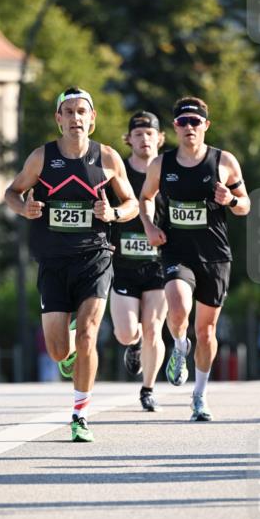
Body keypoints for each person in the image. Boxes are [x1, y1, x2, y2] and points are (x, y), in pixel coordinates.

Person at [4, 86, 138, 442]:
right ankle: (71, 347)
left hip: (96, 257)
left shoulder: (108, 158)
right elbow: (12, 192)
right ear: (58, 119)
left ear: (92, 119)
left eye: (82, 112)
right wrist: (25, 208)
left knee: (91, 334)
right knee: (58, 350)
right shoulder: (42, 158)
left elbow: (133, 204)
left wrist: (114, 212)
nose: (76, 118)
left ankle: (80, 415)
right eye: (69, 112)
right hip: (52, 261)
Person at [139, 96, 250, 421]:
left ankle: (199, 396)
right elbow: (145, 197)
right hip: (177, 251)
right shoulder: (162, 164)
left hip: (215, 256)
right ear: (174, 127)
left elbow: (246, 205)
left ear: (205, 126)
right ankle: (178, 344)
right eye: (183, 122)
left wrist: (230, 199)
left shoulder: (224, 161)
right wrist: (148, 225)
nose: (189, 127)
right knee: (176, 307)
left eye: (195, 121)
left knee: (207, 331)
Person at [109, 111, 167, 411]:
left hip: (159, 265)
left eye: (150, 133)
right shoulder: (119, 174)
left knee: (153, 327)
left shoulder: (169, 172)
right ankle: (132, 346)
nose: (145, 138)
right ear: (129, 139)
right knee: (127, 331)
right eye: (138, 133)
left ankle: (148, 389)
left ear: (160, 138)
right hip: (123, 265)